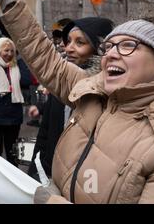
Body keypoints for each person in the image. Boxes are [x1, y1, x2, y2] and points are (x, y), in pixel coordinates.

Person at [0, 0, 154, 204]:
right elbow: (46, 59)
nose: (111, 54)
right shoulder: (94, 91)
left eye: (128, 45)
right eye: (108, 47)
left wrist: (52, 202)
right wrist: (11, 3)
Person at [27, 17, 114, 181]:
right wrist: (34, 172)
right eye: (68, 41)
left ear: (99, 49)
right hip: (50, 174)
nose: (68, 48)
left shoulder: (109, 94)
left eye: (80, 42)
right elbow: (45, 133)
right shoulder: (62, 84)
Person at [0, 37, 31, 165]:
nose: (9, 54)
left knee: (12, 153)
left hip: (13, 116)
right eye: (6, 51)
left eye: (11, 51)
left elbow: (26, 81)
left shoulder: (17, 65)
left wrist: (20, 60)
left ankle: (13, 179)